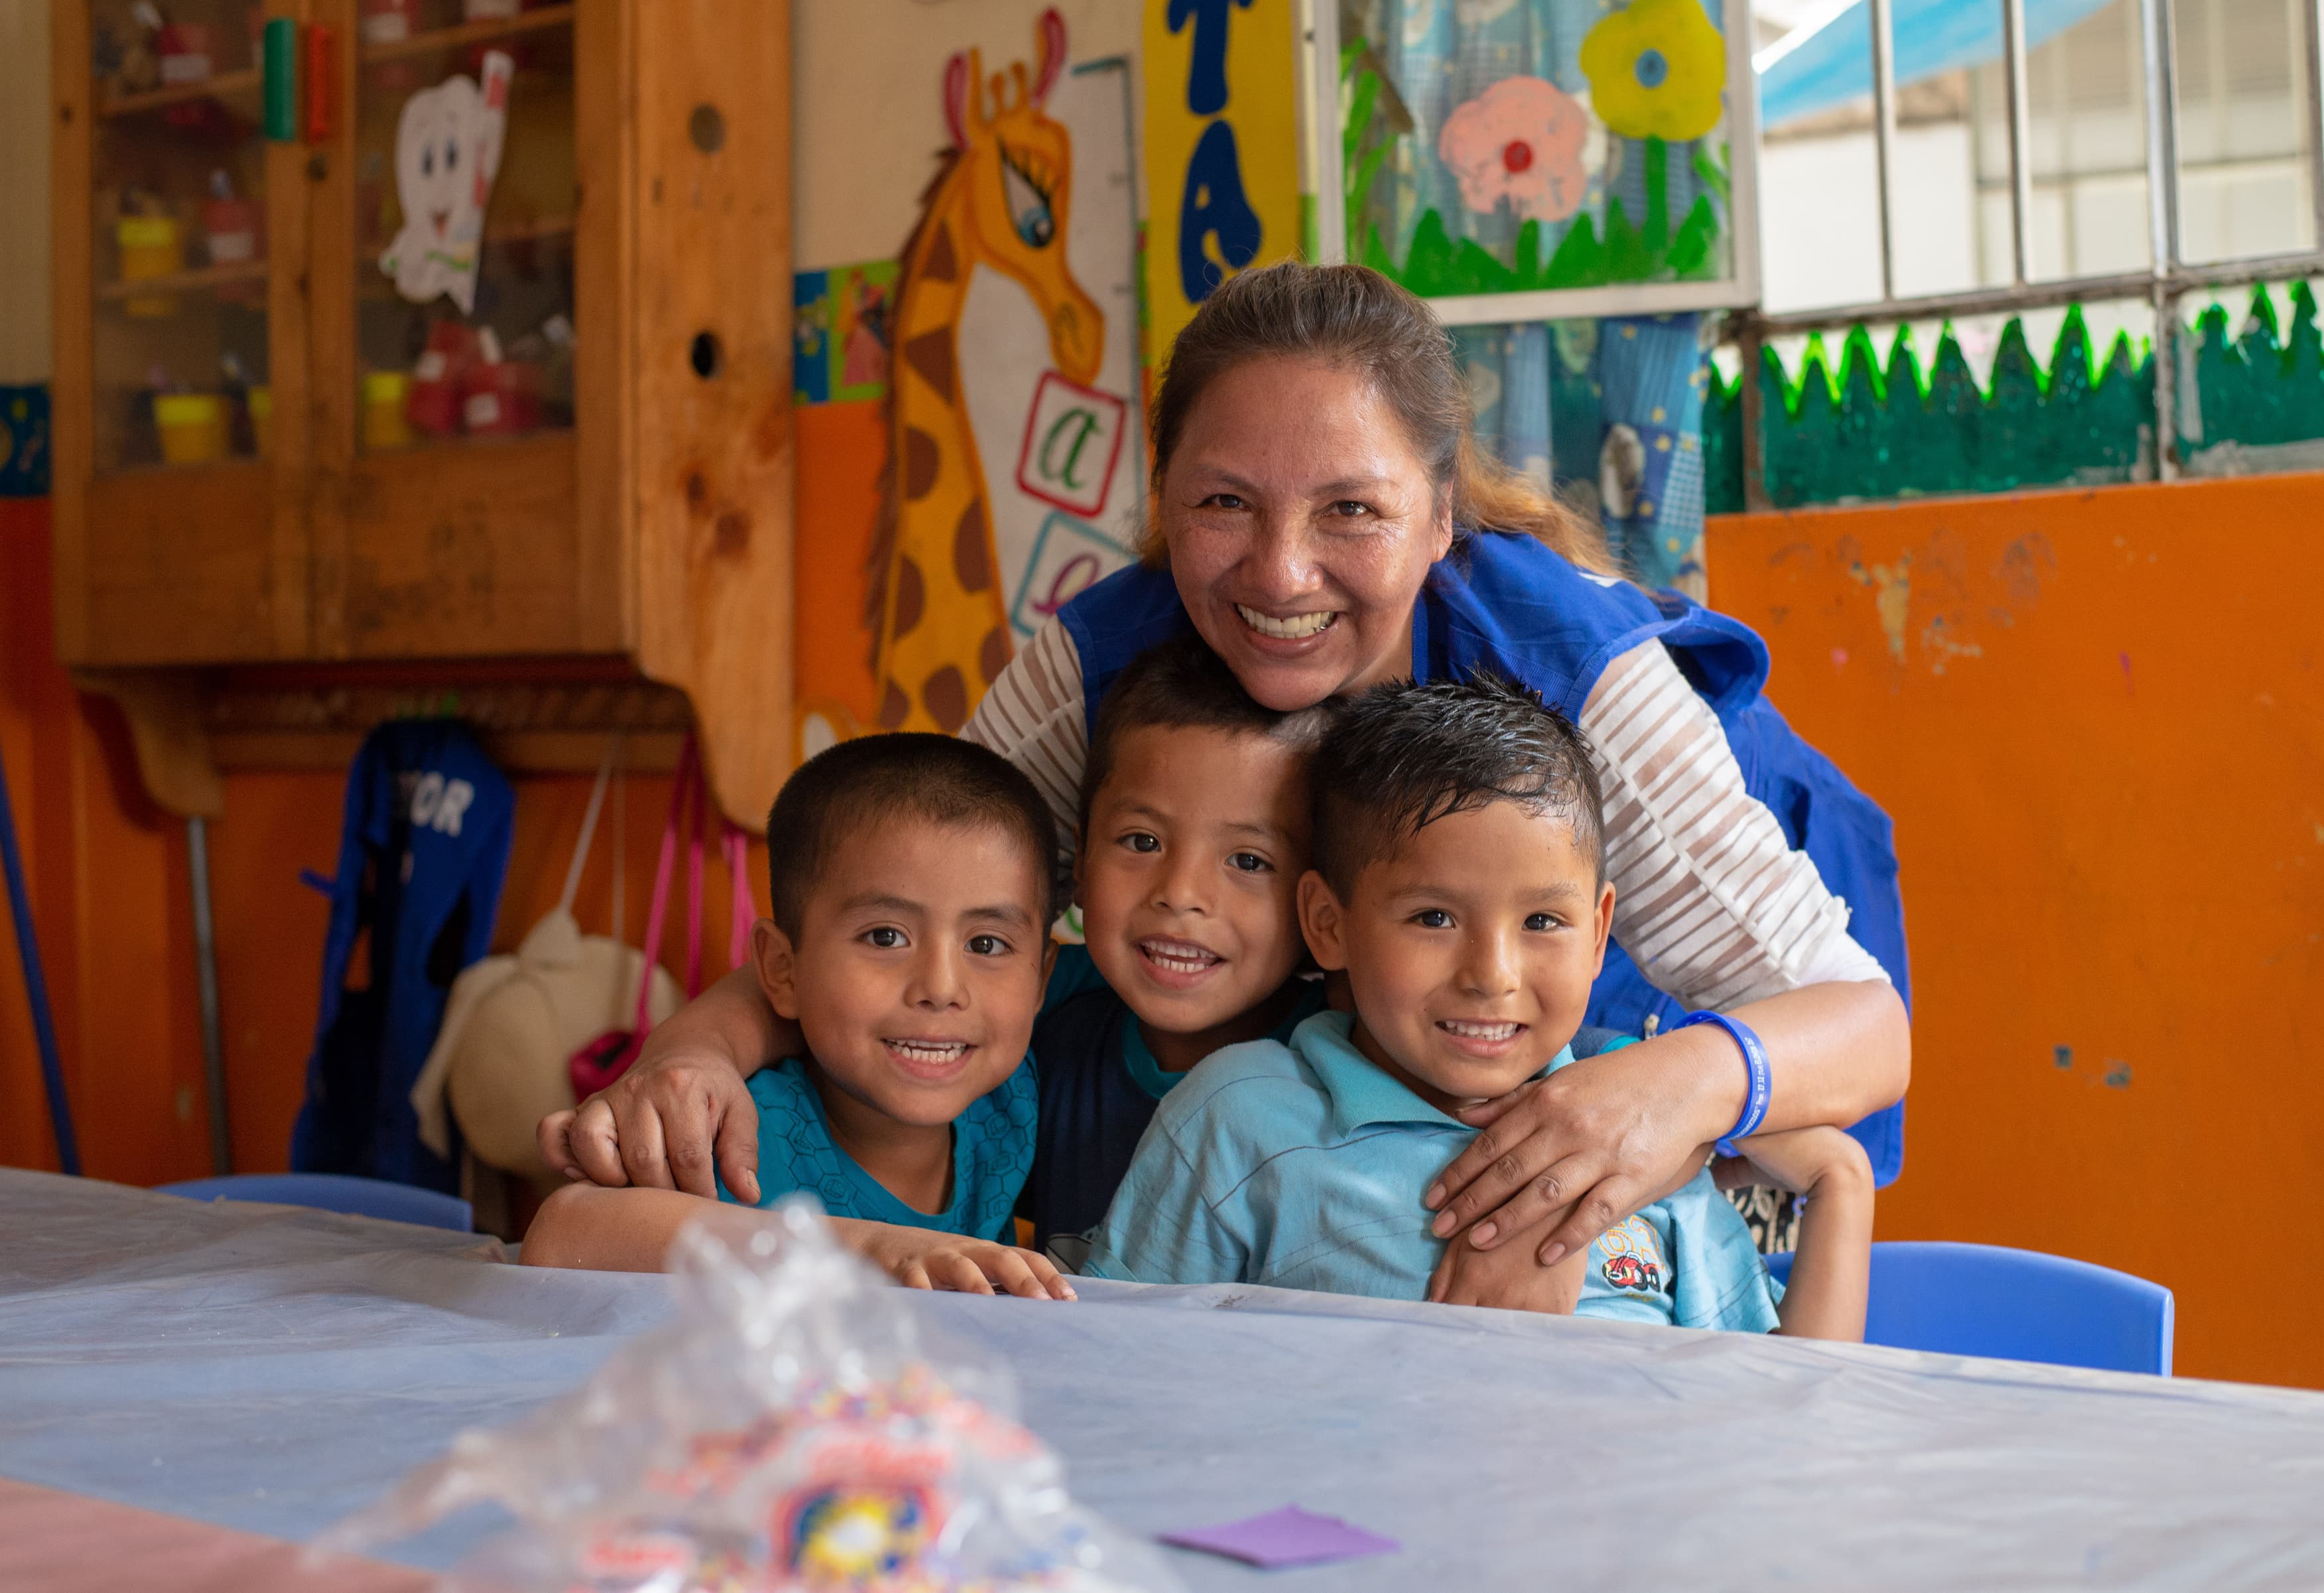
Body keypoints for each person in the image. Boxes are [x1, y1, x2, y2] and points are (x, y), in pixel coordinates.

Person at [542, 262, 1910, 1308]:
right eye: (1223, 504)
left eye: (1351, 512)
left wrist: (1629, 1125)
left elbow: (1862, 1027)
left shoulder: (1572, 672)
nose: (1279, 574)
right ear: (1160, 500)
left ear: (1441, 519)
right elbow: (903, 899)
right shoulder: (1107, 663)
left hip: (1645, 1135)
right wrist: (697, 1054)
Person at [1080, 676, 1872, 1337]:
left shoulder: (1642, 1132)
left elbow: (1790, 1422)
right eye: (1433, 918)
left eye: (1542, 922)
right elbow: (1125, 1378)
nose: (1492, 975)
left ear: (1599, 933)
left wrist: (1840, 1180)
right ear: (1329, 923)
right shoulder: (1240, 1120)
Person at [519, 736, 1073, 1300]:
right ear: (783, 970)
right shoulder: (739, 1132)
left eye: (987, 943)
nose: (940, 988)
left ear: (1041, 979)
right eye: (886, 936)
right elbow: (564, 1231)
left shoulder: (1011, 1101)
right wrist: (869, 1249)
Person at [1022, 634, 1331, 1244]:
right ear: (1080, 861)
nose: (1181, 893)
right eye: (1142, 842)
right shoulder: (1034, 1008)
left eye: (1248, 859)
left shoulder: (1351, 1060)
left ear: (1321, 908)